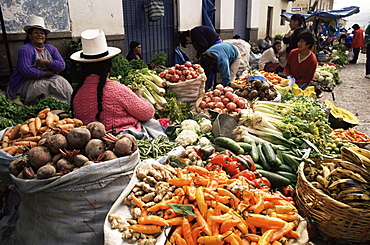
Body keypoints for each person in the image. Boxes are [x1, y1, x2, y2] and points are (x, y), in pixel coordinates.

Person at [70, 29, 160, 138]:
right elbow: (147, 113)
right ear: (108, 65)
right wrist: (139, 97)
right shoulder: (115, 89)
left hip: (90, 141)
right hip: (122, 139)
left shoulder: (77, 92)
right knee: (153, 124)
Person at [7, 15, 73, 105]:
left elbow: (62, 65)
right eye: (36, 33)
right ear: (30, 36)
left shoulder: (51, 48)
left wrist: (48, 63)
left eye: (42, 33)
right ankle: (50, 108)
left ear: (45, 36)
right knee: (48, 86)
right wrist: (45, 73)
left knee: (62, 83)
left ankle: (71, 105)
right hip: (26, 82)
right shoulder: (25, 49)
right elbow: (26, 70)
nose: (39, 35)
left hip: (48, 77)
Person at [284, 31, 319, 95]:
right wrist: (289, 76)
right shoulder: (293, 53)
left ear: (308, 45)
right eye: (299, 41)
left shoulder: (312, 60)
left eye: (302, 42)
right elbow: (287, 67)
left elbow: (307, 78)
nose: (299, 44)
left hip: (301, 83)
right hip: (289, 79)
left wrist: (295, 82)